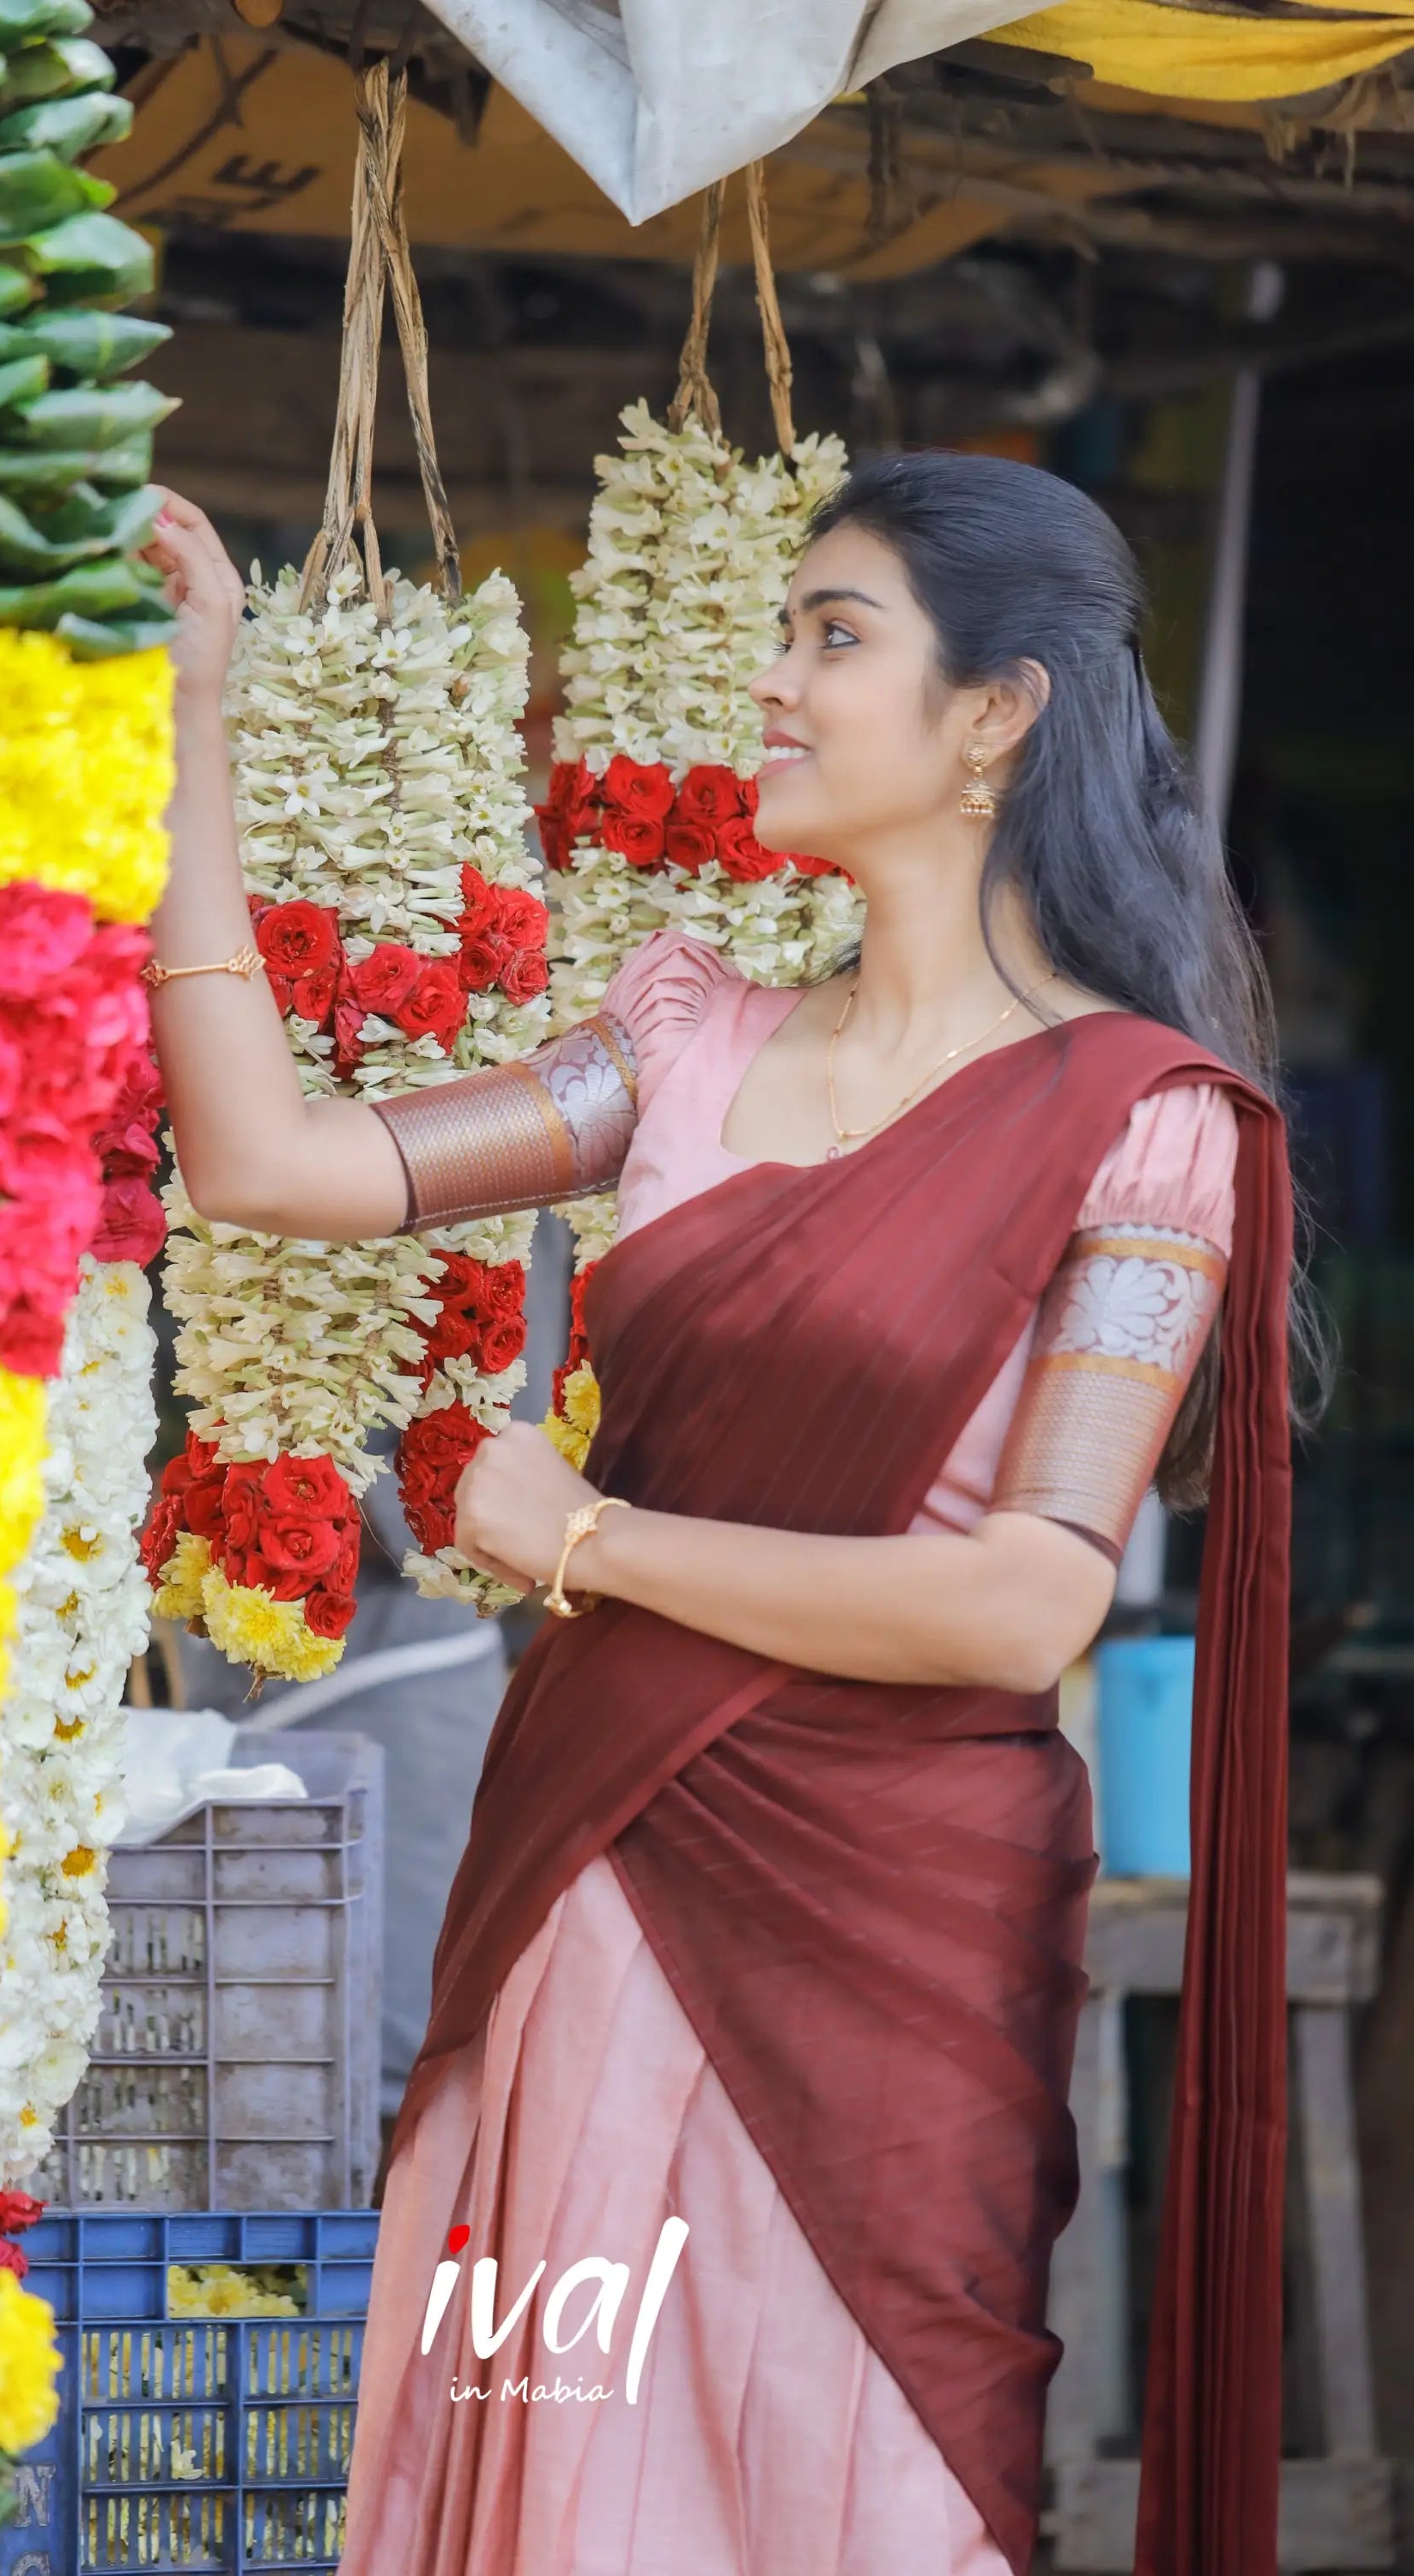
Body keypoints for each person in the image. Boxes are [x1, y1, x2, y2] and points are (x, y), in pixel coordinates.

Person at [140, 454, 1303, 2576]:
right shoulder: (677, 1046)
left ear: (994, 714)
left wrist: (580, 1540)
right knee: (569, 2459)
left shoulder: (1143, 1131)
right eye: (775, 631)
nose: (766, 683)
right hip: (597, 1874)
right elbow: (263, 1165)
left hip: (896, 1941)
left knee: (847, 2486)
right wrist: (197, 721)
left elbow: (1017, 1609)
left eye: (830, 637)